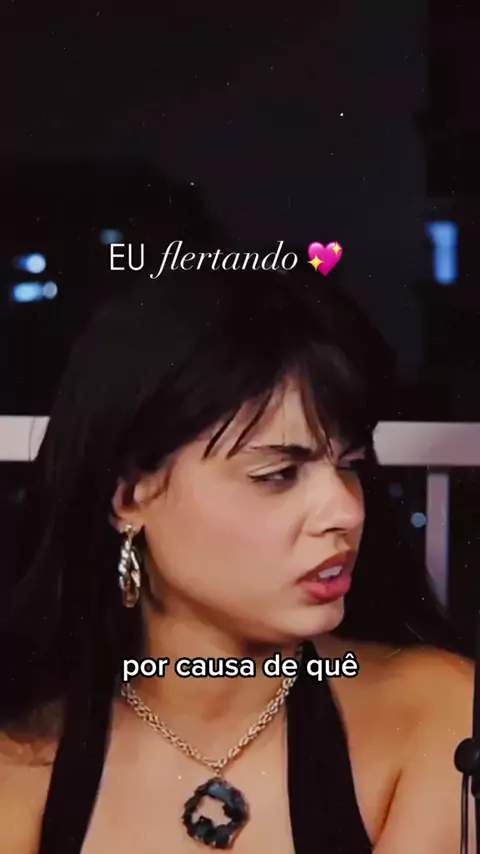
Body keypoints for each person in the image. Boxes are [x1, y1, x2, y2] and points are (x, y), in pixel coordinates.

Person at [0, 269, 475, 854]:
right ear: (129, 498)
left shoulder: (439, 715)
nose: (346, 511)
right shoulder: (21, 761)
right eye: (277, 474)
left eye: (349, 465)